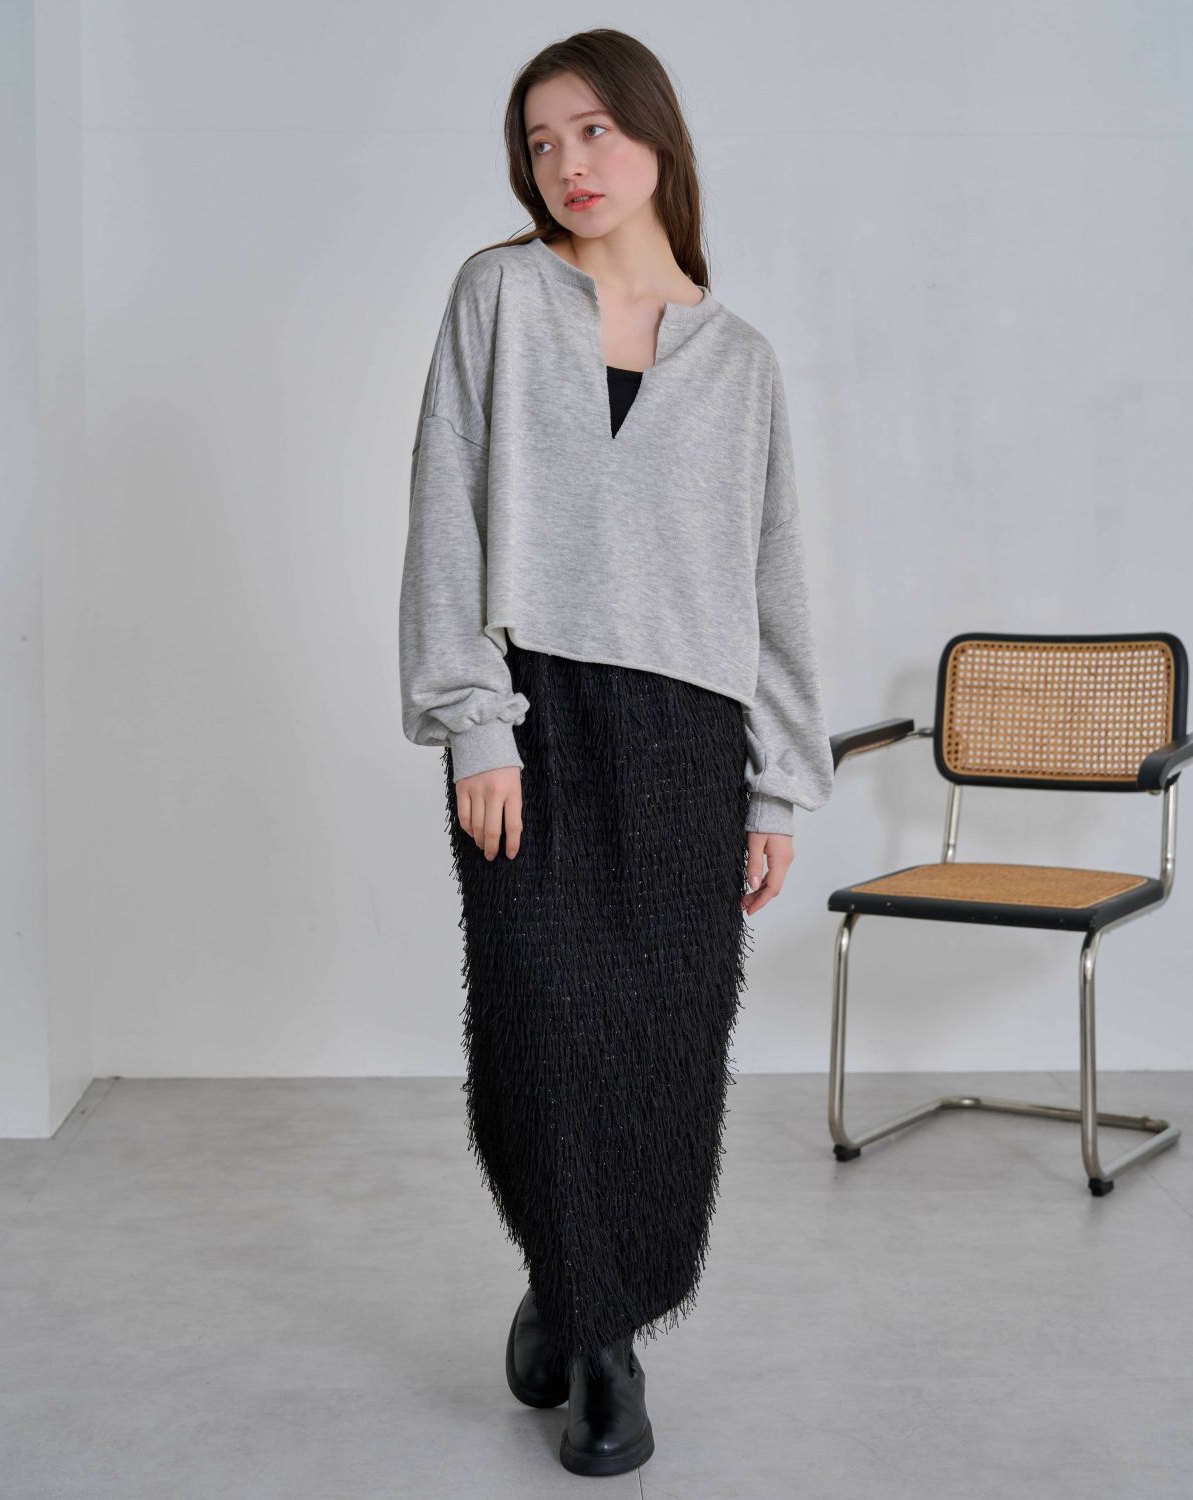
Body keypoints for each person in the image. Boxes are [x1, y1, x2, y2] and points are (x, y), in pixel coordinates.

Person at [398, 27, 834, 1479]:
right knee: (537, 1026)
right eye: (541, 143)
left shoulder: (742, 361)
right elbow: (446, 513)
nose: (568, 164)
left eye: (592, 129)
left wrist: (777, 785)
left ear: (655, 135)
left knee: (660, 1046)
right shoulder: (499, 297)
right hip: (531, 717)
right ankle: (578, 1297)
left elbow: (769, 583)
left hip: (689, 737)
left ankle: (596, 1328)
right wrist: (473, 720)